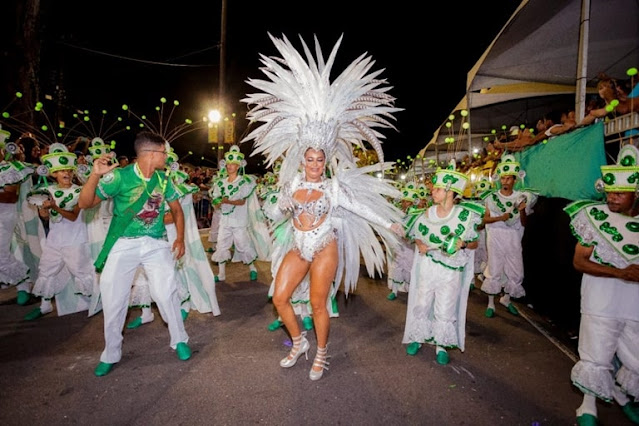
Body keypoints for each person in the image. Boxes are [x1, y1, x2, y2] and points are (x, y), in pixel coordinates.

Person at [243, 33, 404, 380]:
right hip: (299, 245)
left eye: (320, 159)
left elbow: (362, 208)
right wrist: (280, 204)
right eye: (310, 158)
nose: (315, 163)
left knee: (318, 303)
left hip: (324, 245)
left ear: (326, 160)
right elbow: (273, 215)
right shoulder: (291, 185)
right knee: (281, 298)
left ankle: (321, 352)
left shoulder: (333, 187)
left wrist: (389, 225)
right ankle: (298, 341)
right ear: (302, 159)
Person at [78, 130, 191, 377]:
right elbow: (85, 204)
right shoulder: (118, 177)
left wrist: (180, 238)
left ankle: (179, 339)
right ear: (151, 154)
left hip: (156, 243)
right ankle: (111, 353)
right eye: (165, 153)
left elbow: (177, 210)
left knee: (165, 292)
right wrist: (95, 176)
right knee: (113, 296)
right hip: (123, 243)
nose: (167, 157)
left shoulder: (164, 179)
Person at [564, 144, 639, 426]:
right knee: (595, 355)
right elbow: (580, 262)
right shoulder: (594, 218)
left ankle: (621, 394)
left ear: (636, 194)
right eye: (609, 192)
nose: (612, 198)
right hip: (600, 301)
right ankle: (587, 407)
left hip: (634, 305)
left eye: (620, 193)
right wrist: (620, 273)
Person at [402, 163, 484, 364]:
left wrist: (462, 243)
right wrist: (420, 244)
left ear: (449, 191)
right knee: (422, 302)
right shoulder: (426, 213)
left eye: (437, 189)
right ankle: (419, 338)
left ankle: (441, 344)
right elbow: (415, 235)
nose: (433, 191)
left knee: (445, 306)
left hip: (450, 270)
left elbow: (474, 243)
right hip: (428, 266)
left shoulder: (464, 216)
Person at [24, 144, 96, 320]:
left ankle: (94, 302)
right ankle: (45, 306)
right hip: (55, 239)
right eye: (62, 171)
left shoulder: (80, 192)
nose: (66, 174)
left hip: (75, 239)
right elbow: (46, 217)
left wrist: (55, 206)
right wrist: (43, 209)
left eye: (69, 171)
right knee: (46, 270)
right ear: (53, 173)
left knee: (82, 272)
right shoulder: (47, 191)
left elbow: (72, 216)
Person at [480, 154, 538, 317]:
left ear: (514, 180)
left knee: (515, 270)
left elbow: (525, 223)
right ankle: (491, 304)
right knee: (495, 268)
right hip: (495, 235)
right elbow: (485, 219)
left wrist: (521, 210)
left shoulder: (521, 197)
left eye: (509, 179)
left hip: (513, 236)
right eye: (503, 178)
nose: (505, 181)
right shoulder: (491, 198)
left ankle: (506, 299)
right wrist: (500, 218)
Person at [208, 145, 272, 282]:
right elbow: (216, 201)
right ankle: (221, 274)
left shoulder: (244, 182)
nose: (229, 166)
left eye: (233, 164)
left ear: (238, 166)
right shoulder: (221, 183)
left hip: (239, 221)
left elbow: (242, 202)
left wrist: (226, 201)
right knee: (221, 245)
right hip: (225, 221)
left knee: (243, 246)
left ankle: (253, 269)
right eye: (228, 164)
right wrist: (218, 202)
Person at [0, 130, 37, 305]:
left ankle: (23, 284)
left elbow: (10, 196)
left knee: (8, 253)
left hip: (6, 216)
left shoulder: (10, 169)